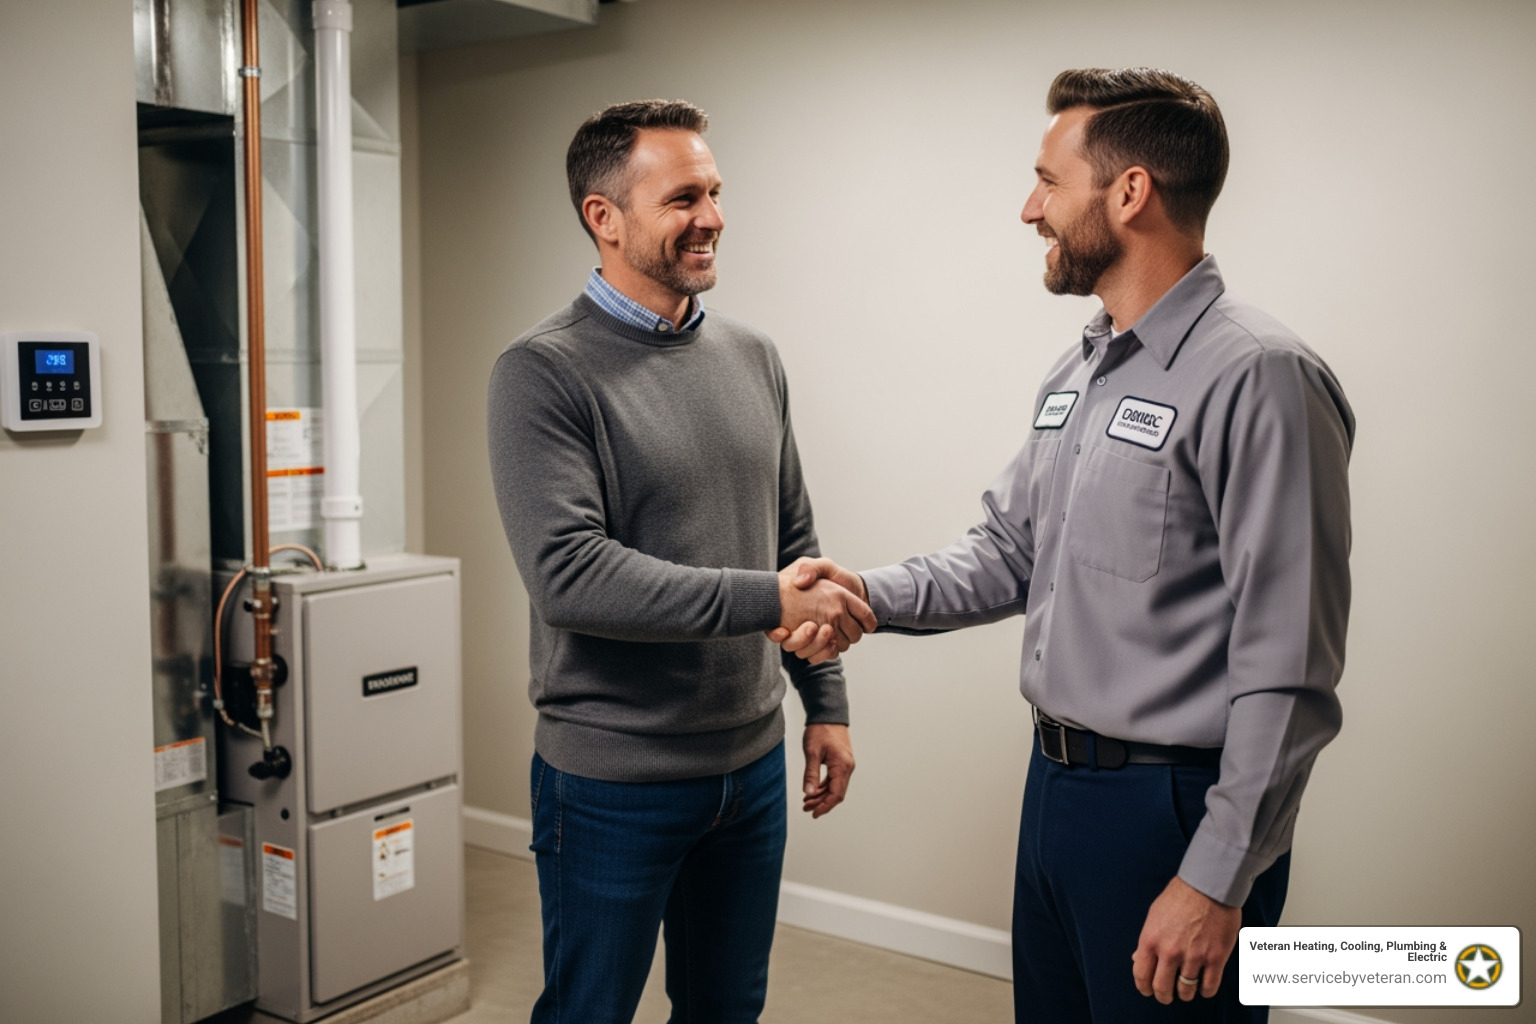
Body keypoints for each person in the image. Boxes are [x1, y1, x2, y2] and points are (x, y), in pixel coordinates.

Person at [774, 68, 1354, 1023]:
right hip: (1054, 793)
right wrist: (860, 593)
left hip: (1172, 810)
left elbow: (1289, 665)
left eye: (1049, 181)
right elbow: (1010, 551)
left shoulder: (1262, 378)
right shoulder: (1082, 369)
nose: (1029, 208)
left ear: (1129, 193)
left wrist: (1215, 878)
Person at [487, 99, 874, 1024]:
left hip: (752, 767)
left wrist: (825, 703)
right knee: (589, 1010)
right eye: (683, 199)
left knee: (727, 1009)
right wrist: (766, 599)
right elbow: (571, 575)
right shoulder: (541, 372)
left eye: (714, 192)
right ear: (604, 217)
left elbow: (791, 538)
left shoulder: (753, 355)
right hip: (613, 781)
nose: (712, 217)